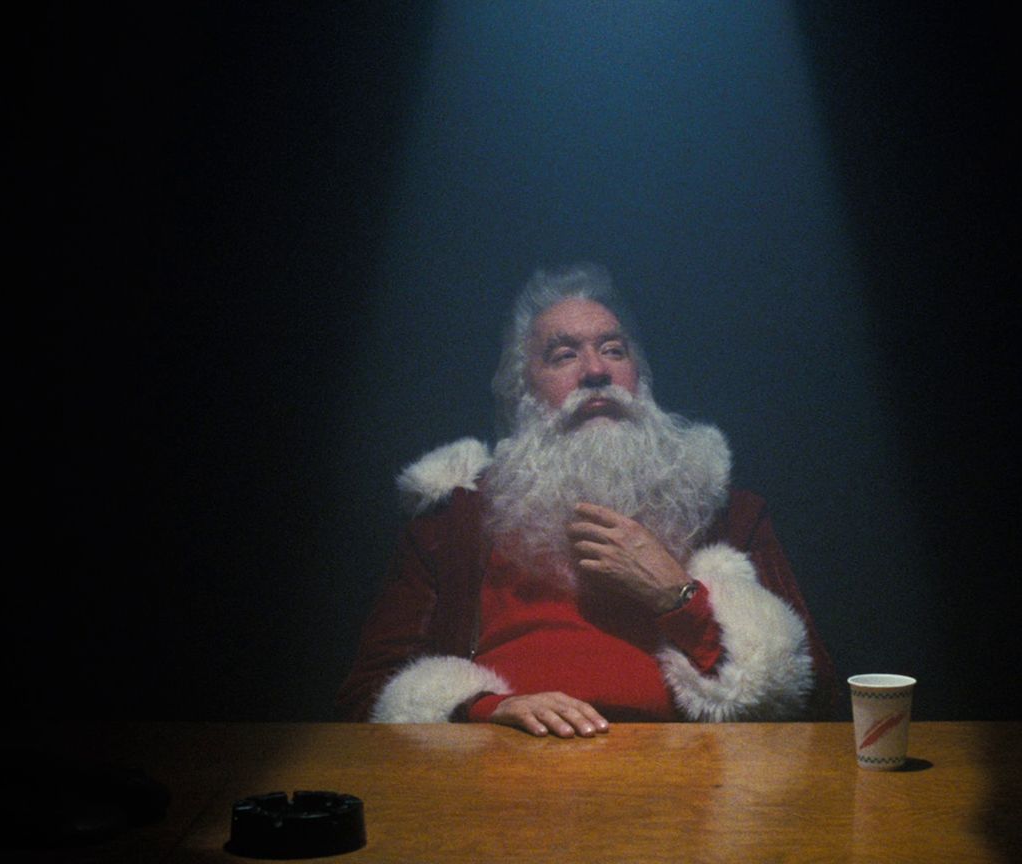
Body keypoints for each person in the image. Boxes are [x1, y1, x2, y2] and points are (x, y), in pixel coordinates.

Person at [336, 264, 840, 736]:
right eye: (564, 355)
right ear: (522, 392)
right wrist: (488, 708)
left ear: (639, 379)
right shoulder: (455, 520)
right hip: (498, 779)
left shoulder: (727, 512)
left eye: (614, 350)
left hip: (688, 780)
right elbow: (367, 697)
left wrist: (676, 595)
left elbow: (815, 699)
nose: (595, 371)